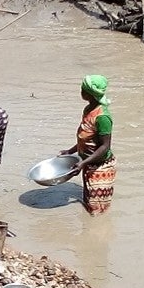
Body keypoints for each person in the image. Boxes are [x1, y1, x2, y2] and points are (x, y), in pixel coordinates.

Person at [61, 75, 115, 215]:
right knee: (88, 199)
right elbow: (86, 136)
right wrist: (71, 151)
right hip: (88, 162)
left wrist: (82, 163)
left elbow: (105, 147)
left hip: (100, 165)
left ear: (89, 94)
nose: (80, 91)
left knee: (97, 210)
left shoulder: (103, 117)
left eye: (82, 89)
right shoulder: (88, 109)